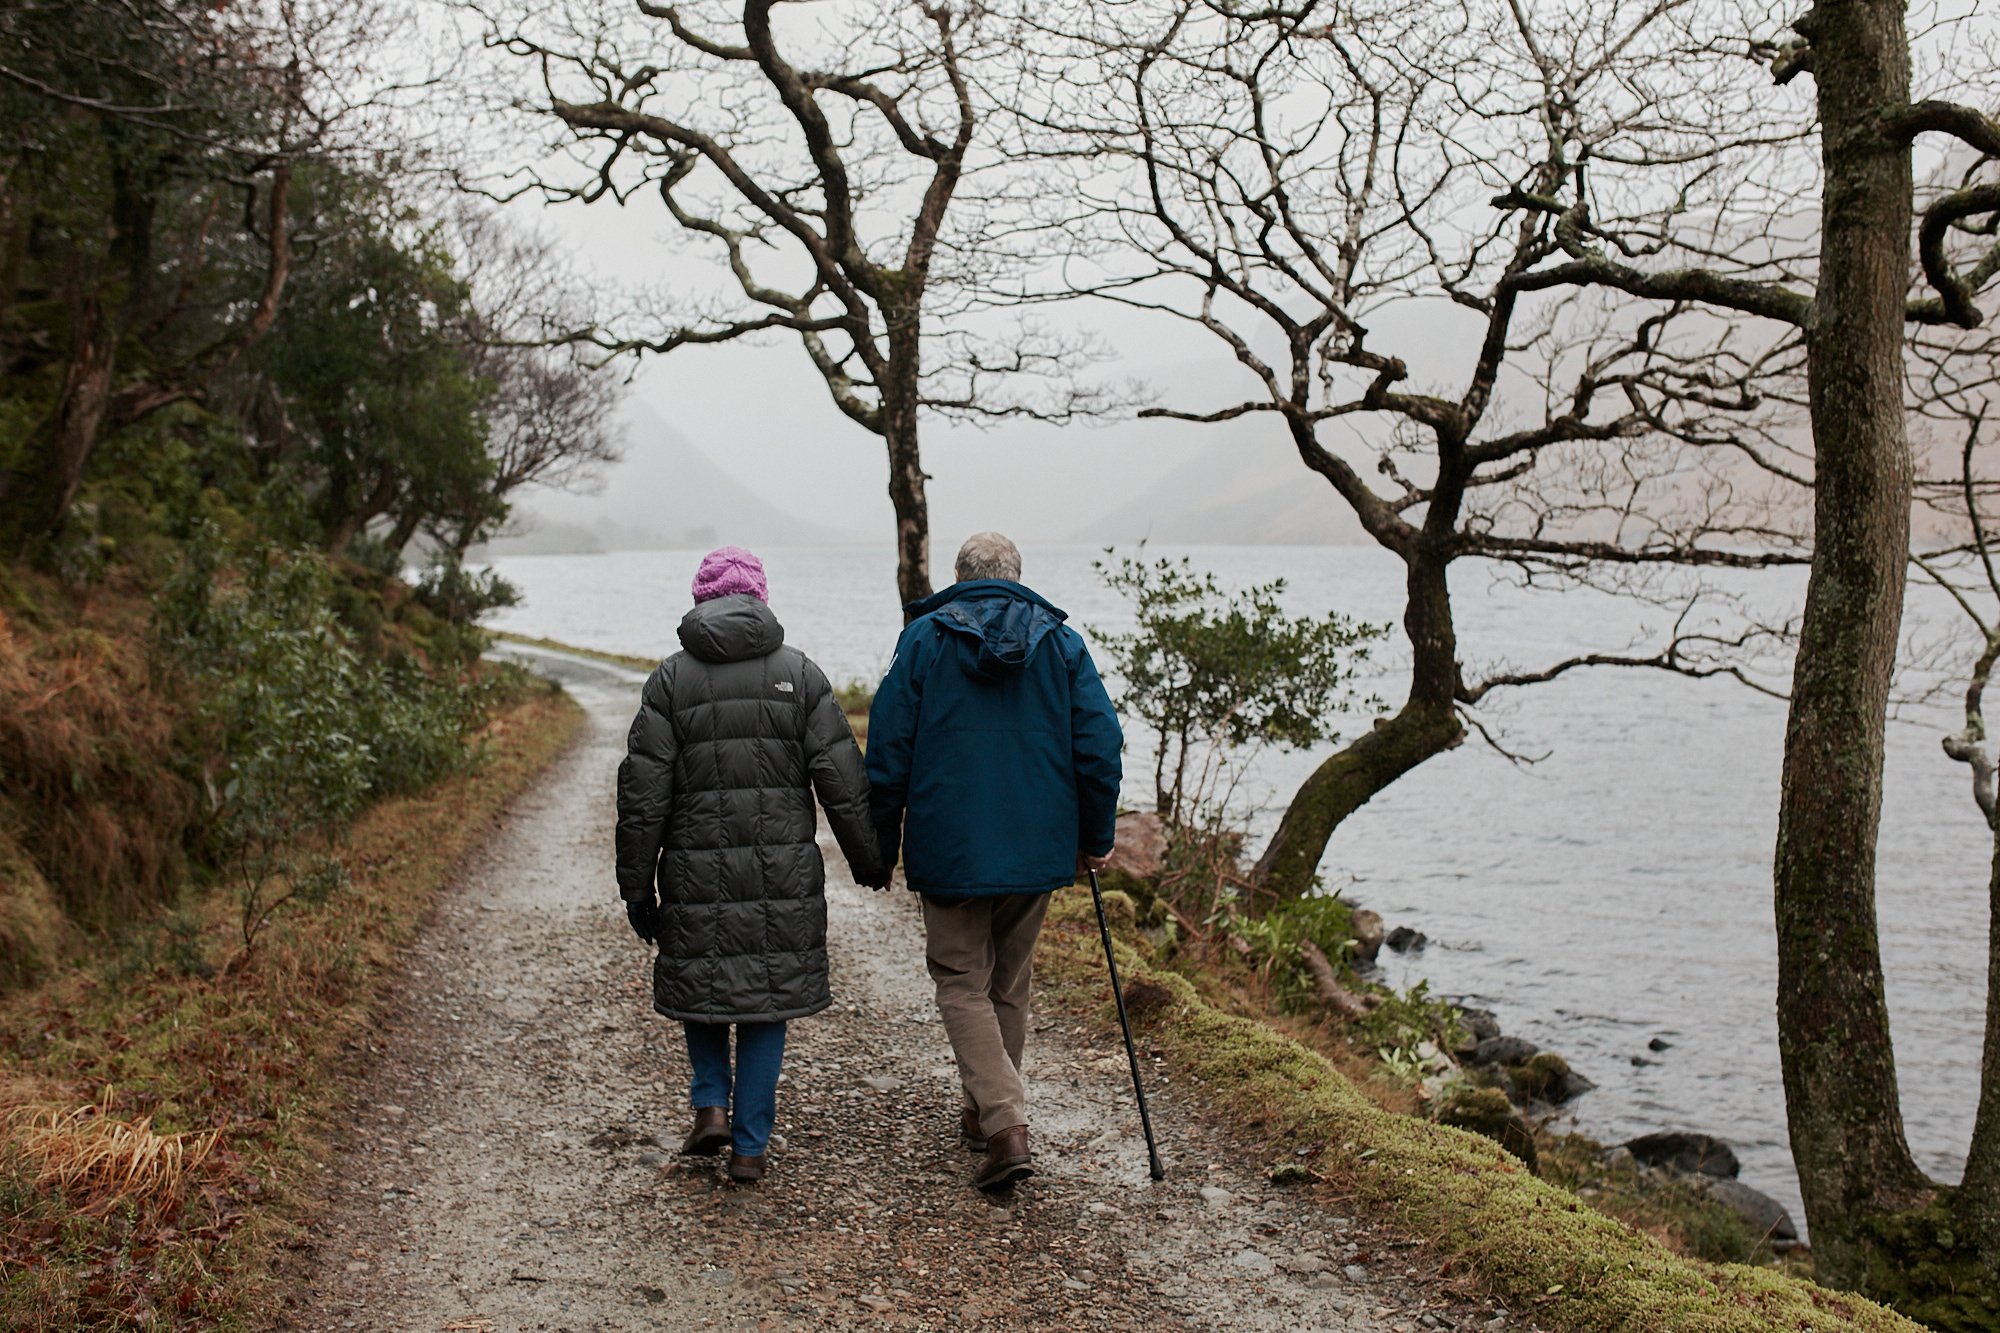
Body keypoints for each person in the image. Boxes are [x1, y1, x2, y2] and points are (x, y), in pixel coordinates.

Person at [615, 546, 885, 1183]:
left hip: (692, 869)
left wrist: (636, 885)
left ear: (701, 600)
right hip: (781, 875)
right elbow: (842, 779)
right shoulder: (801, 674)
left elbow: (643, 792)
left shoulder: (670, 680)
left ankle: (710, 1105)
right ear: (760, 597)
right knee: (765, 998)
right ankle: (749, 1147)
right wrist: (869, 857)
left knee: (703, 981)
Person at [866, 532, 1123, 1190]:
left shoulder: (924, 639)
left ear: (959, 575)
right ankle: (983, 1116)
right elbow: (1099, 746)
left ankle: (1005, 1123)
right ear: (1017, 574)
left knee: (960, 980)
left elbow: (888, 748)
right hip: (1037, 846)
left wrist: (882, 836)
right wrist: (1095, 836)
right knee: (1007, 983)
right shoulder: (1062, 645)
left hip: (949, 843)